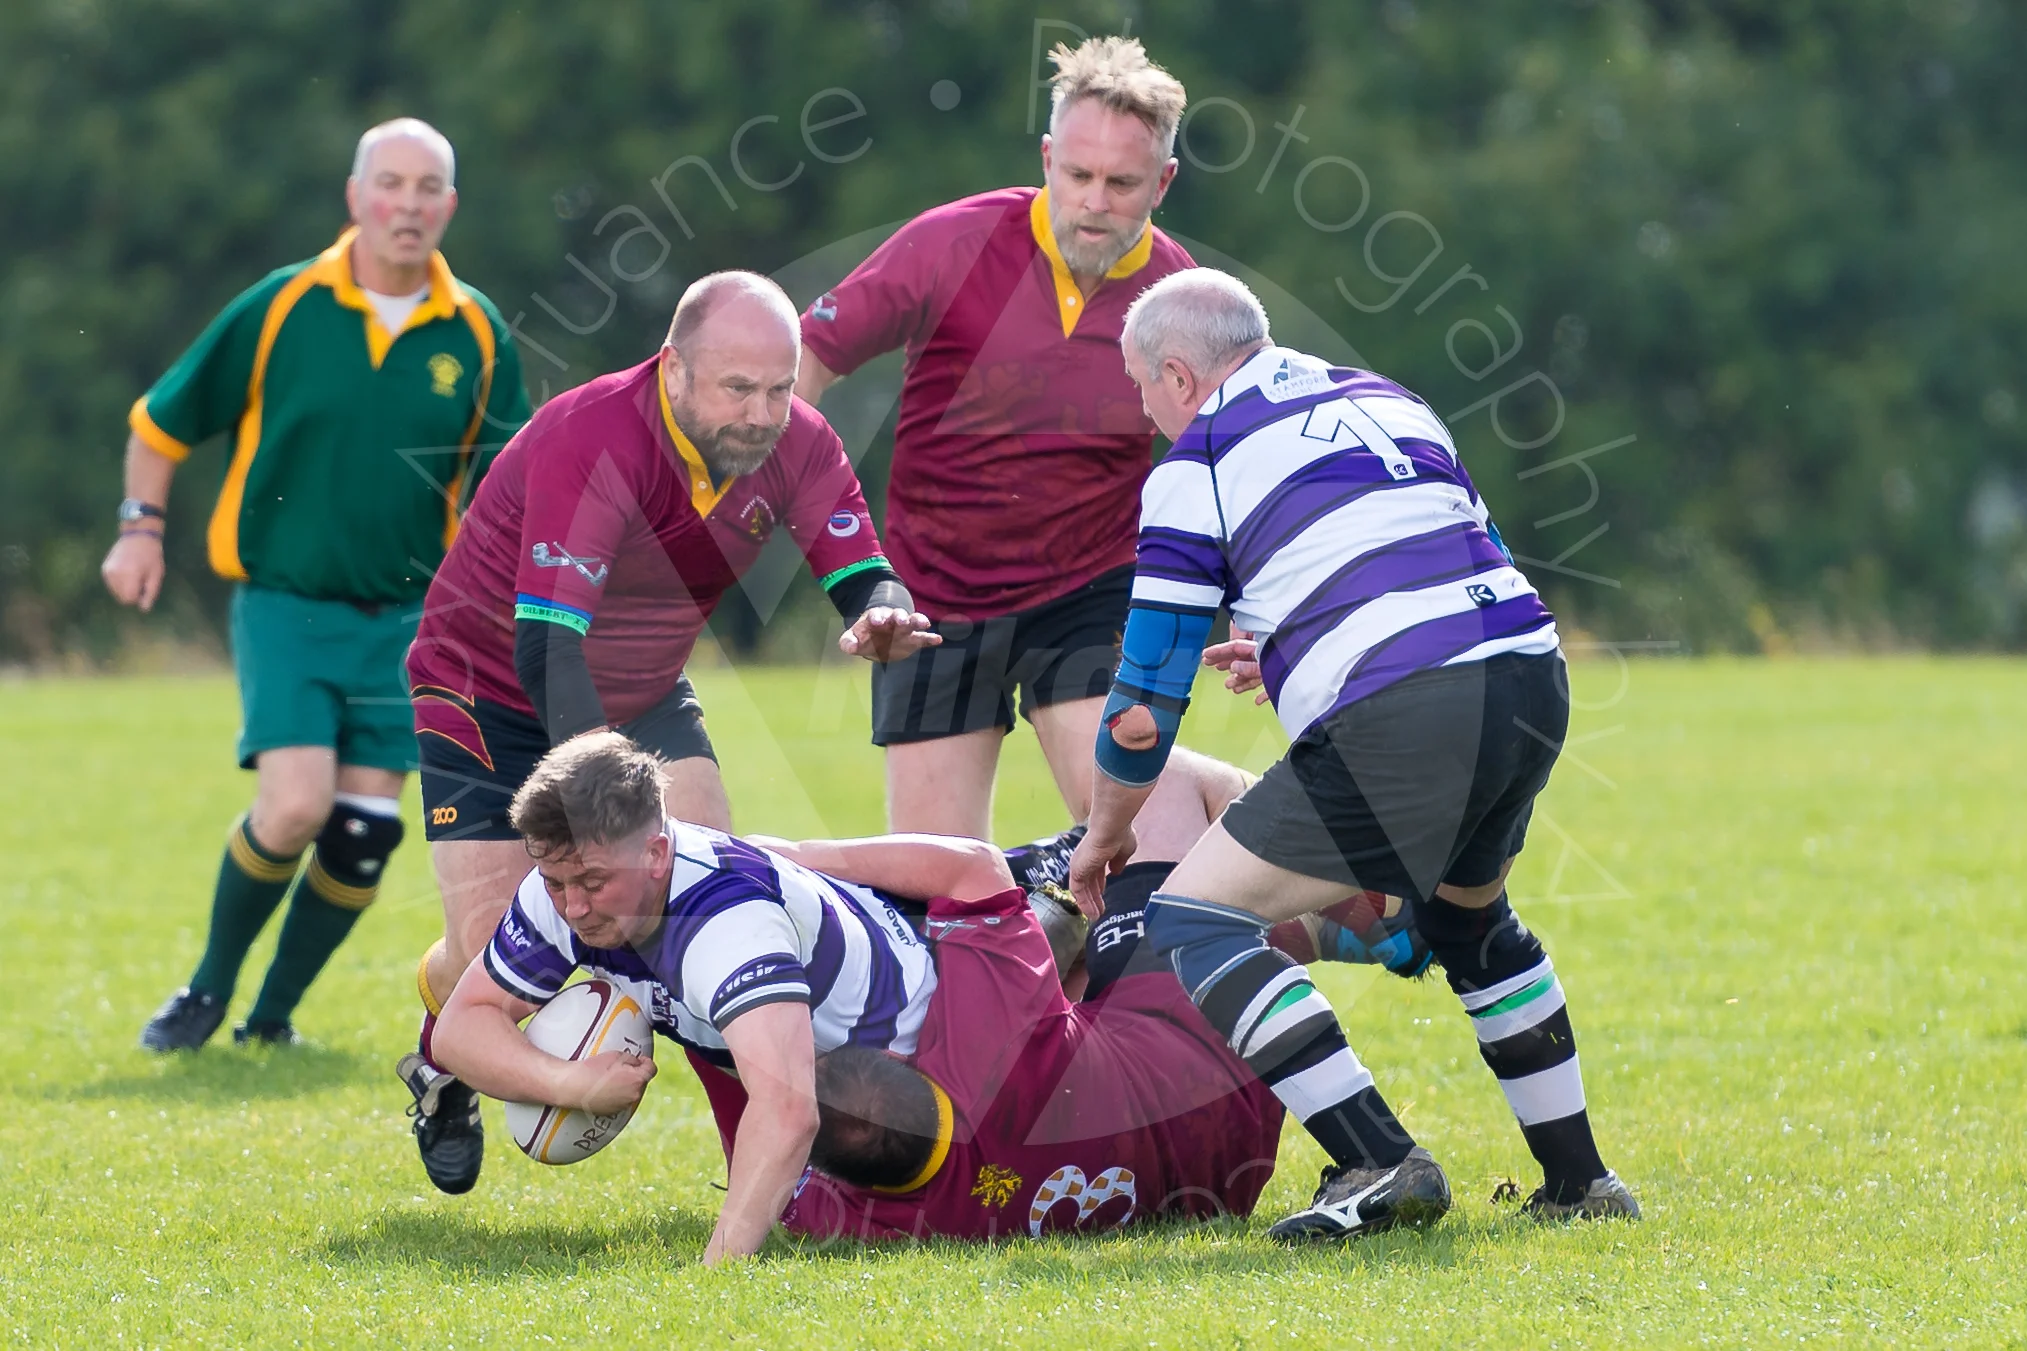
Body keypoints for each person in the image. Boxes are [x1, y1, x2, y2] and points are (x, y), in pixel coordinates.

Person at [1069, 268, 1640, 1241]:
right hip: (1526, 673)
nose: (1145, 411)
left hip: (1405, 706)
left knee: (1193, 920)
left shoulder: (1195, 459)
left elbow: (1143, 699)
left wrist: (1104, 833)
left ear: (1174, 371)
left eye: (1139, 389)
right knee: (1470, 926)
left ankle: (1378, 1159)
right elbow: (1445, 545)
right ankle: (1579, 1182)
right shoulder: (1385, 397)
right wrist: (1292, 634)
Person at [401, 271, 938, 1195]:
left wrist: (881, 612)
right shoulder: (595, 435)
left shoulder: (796, 440)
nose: (764, 411)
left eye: (780, 386)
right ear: (674, 368)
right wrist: (598, 816)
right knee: (513, 936)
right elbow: (547, 648)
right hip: (486, 687)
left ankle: (771, 1168)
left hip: (644, 692)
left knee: (716, 907)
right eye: (738, 388)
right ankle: (438, 1054)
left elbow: (861, 567)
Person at [107, 118, 529, 1053]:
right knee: (295, 804)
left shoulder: (479, 333)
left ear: (449, 207)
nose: (409, 205)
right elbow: (160, 424)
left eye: (429, 188)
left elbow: (512, 490)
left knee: (365, 830)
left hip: (410, 620)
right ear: (355, 195)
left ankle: (271, 1021)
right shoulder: (282, 305)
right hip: (286, 603)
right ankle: (206, 993)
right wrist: (140, 530)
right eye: (392, 183)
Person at [712, 749, 1431, 1245]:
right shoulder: (978, 1051)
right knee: (1167, 782)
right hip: (1215, 1039)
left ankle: (1321, 925)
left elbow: (764, 1154)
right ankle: (1340, 883)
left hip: (1217, 1177)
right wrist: (789, 857)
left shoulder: (844, 1218)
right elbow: (972, 871)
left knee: (1078, 976)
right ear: (907, 1061)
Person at [796, 36, 1194, 838]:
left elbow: (1221, 453)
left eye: (1121, 184)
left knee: (1133, 842)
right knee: (939, 885)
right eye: (1076, 174)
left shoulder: (1180, 295)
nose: (1092, 201)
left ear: (1163, 181)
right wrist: (831, 537)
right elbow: (804, 363)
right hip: (932, 597)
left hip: (1088, 592)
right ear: (1047, 156)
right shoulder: (951, 242)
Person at [431, 731, 978, 1262]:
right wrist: (570, 1083)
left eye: (594, 883)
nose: (571, 907)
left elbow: (789, 1110)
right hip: (769, 1042)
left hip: (913, 1066)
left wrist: (716, 1274)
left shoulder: (729, 926)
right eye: (555, 882)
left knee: (886, 1219)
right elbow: (460, 1028)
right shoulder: (567, 881)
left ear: (655, 853)